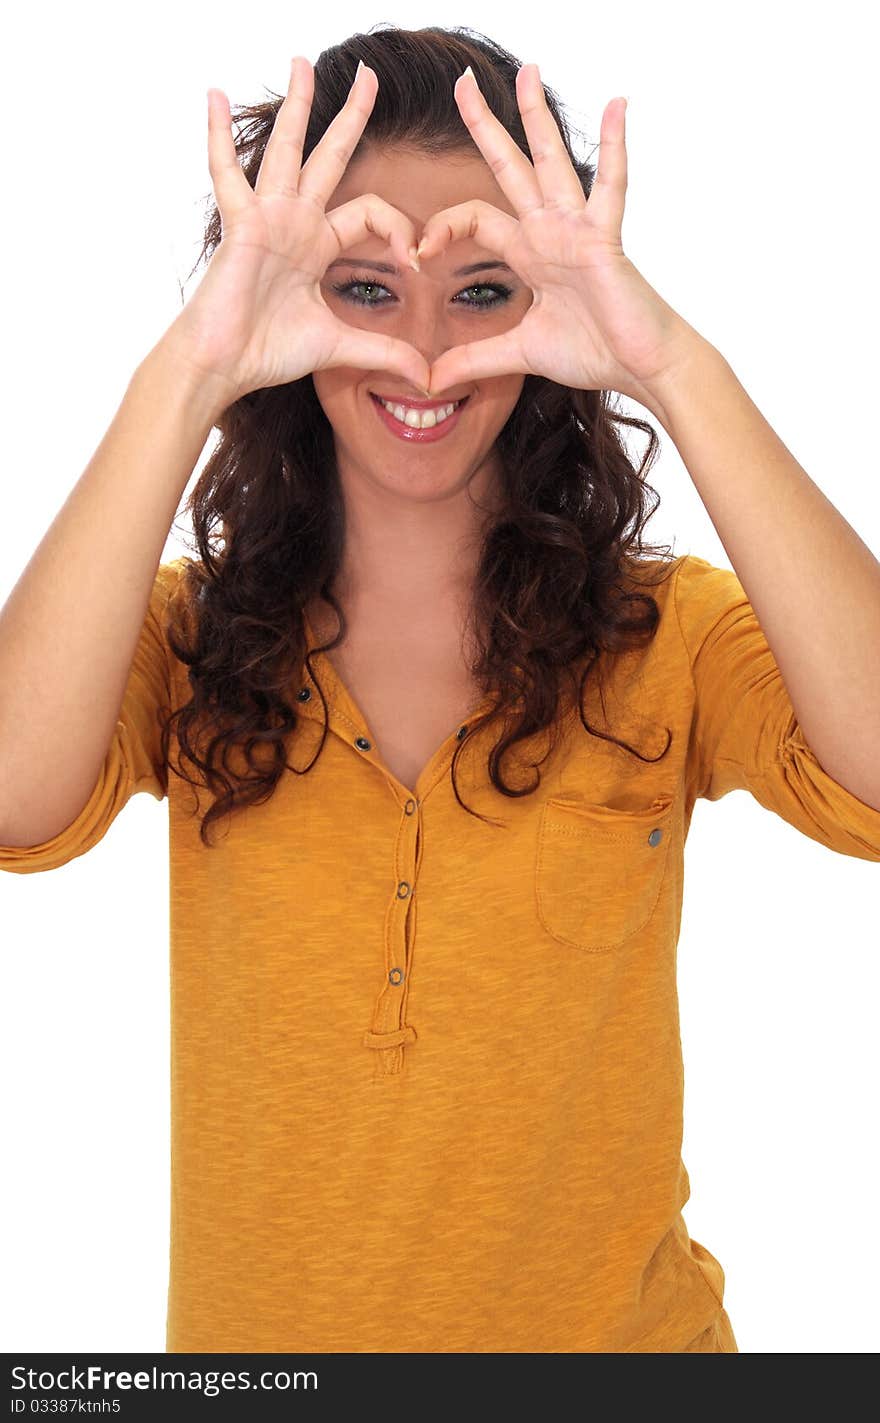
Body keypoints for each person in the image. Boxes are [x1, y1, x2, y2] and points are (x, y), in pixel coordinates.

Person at [2, 23, 879, 1355]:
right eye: (361, 287)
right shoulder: (183, 637)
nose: (422, 350)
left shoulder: (671, 636)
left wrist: (671, 364)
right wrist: (189, 367)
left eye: (482, 290)